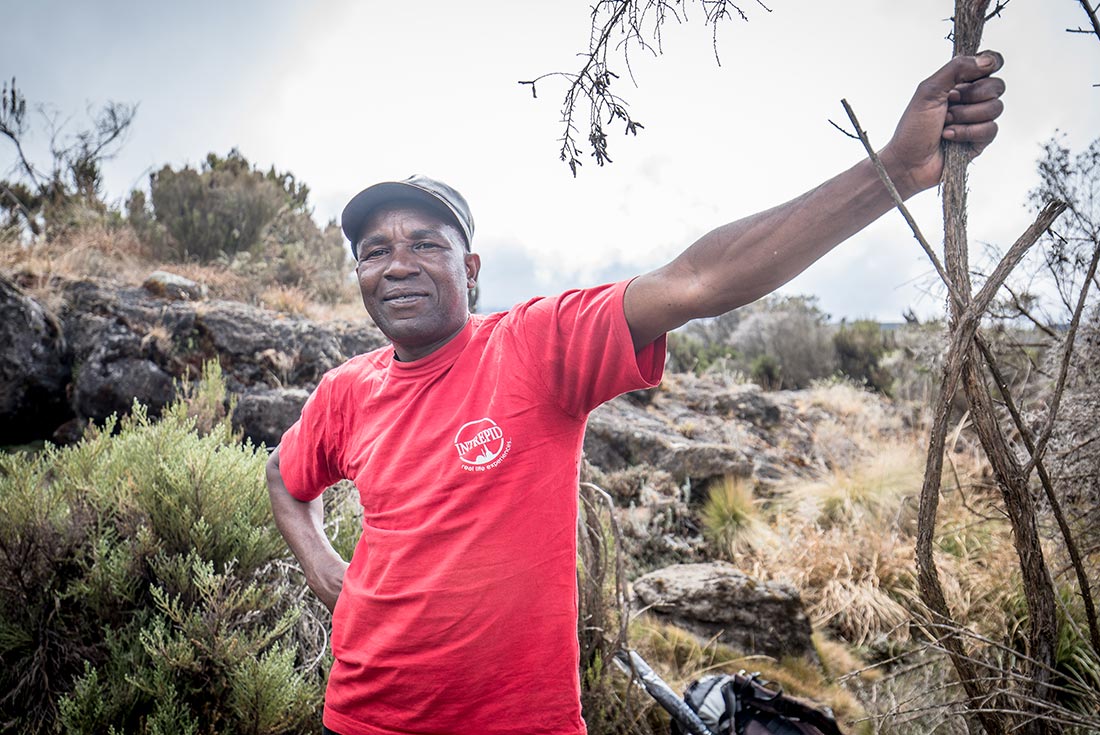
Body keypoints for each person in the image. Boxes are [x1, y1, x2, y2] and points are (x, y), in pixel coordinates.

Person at [266, 51, 1006, 735]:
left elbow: (697, 280)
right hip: (362, 714)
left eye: (426, 243)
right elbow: (284, 477)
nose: (397, 264)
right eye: (374, 251)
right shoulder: (346, 391)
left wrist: (894, 172)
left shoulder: (534, 346)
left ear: (473, 267)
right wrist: (329, 570)